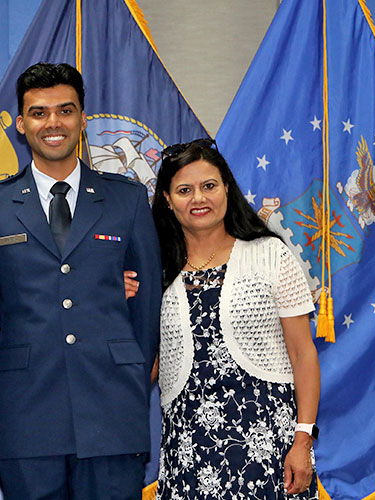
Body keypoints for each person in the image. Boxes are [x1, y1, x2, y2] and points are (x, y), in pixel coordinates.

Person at [0, 62, 162, 500]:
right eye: (39, 112)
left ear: (82, 119)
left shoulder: (126, 200)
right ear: (20, 124)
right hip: (25, 414)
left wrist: (130, 382)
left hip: (112, 411)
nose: (53, 123)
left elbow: (146, 310)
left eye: (65, 110)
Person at [151, 138, 320, 499]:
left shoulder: (270, 254)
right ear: (167, 198)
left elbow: (303, 355)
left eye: (209, 186)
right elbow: (147, 366)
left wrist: (303, 440)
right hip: (189, 455)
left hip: (270, 450)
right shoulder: (154, 271)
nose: (199, 198)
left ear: (227, 187)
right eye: (184, 190)